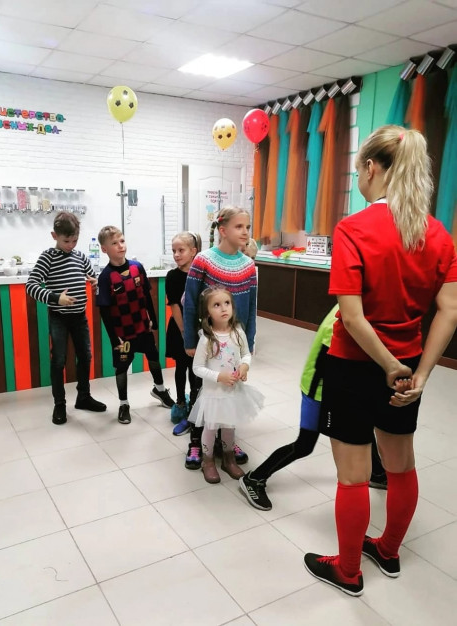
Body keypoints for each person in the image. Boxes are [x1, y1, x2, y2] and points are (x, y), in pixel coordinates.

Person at [303, 125, 457, 597]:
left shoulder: (353, 229)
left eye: (358, 171)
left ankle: (348, 570)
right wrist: (418, 372)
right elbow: (450, 310)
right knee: (400, 465)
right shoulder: (438, 234)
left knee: (352, 475)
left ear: (371, 167)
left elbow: (350, 317)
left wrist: (387, 365)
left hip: (354, 366)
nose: (358, 179)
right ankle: (388, 550)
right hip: (409, 368)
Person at [239, 305, 387, 512]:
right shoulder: (343, 318)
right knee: (305, 445)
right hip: (318, 391)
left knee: (363, 425)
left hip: (338, 387)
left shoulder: (356, 306)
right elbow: (323, 366)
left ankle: (377, 474)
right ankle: (254, 478)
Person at [180, 206, 258, 469]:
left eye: (248, 227)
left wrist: (249, 342)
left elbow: (252, 307)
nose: (245, 232)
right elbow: (191, 303)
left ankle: (226, 440)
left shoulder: (249, 265)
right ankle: (196, 441)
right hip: (207, 343)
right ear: (223, 230)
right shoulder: (203, 260)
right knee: (201, 392)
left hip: (234, 344)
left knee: (230, 392)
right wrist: (190, 340)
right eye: (239, 227)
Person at [26, 212, 106, 425]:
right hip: (58, 317)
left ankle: (83, 397)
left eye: (74, 241)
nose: (70, 245)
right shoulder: (48, 257)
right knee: (59, 360)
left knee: (85, 356)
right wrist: (56, 298)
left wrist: (96, 283)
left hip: (79, 316)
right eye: (66, 241)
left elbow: (93, 277)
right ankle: (59, 403)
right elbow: (31, 286)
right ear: (55, 236)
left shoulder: (80, 257)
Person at [96, 226, 174, 424]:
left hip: (142, 327)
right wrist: (114, 339)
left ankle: (160, 390)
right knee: (121, 367)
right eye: (114, 243)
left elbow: (146, 295)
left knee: (153, 357)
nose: (120, 246)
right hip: (123, 334)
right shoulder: (105, 277)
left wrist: (153, 320)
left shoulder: (137, 267)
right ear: (104, 249)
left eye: (122, 241)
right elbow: (104, 311)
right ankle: (124, 404)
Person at [190, 286, 263, 483]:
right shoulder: (206, 338)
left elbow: (246, 354)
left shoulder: (237, 332)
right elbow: (197, 368)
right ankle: (208, 461)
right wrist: (218, 376)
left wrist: (244, 366)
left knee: (229, 426)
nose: (223, 308)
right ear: (207, 313)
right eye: (216, 305)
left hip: (232, 392)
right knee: (211, 427)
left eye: (227, 303)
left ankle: (228, 459)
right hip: (214, 394)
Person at [165, 232, 203, 425]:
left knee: (196, 369)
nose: (176, 254)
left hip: (198, 330)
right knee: (181, 366)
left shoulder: (201, 276)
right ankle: (180, 401)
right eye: (174, 251)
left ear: (193, 251)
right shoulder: (172, 276)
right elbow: (174, 306)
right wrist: (184, 332)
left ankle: (196, 402)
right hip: (179, 329)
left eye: (181, 250)